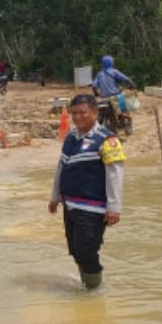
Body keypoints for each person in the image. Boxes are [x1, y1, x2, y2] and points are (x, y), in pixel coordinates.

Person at [47, 93, 126, 290]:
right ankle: (87, 287)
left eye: (83, 113)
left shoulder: (107, 140)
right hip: (70, 205)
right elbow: (61, 167)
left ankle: (94, 293)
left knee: (87, 252)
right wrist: (55, 196)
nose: (77, 117)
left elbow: (115, 175)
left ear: (94, 113)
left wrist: (114, 208)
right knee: (75, 250)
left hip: (93, 208)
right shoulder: (71, 138)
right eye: (74, 113)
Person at [91, 55, 136, 134]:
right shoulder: (114, 72)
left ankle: (113, 127)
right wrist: (132, 86)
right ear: (111, 63)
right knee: (124, 109)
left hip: (104, 99)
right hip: (115, 97)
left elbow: (94, 85)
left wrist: (96, 93)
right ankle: (127, 123)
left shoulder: (99, 74)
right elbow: (126, 79)